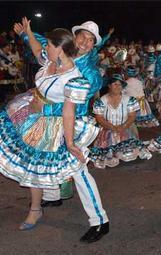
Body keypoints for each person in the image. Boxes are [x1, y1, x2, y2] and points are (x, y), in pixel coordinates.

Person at [1, 18, 108, 243]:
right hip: (44, 119)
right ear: (73, 38)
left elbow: (74, 106)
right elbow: (41, 46)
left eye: (91, 41)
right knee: (40, 160)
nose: (86, 43)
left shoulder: (89, 73)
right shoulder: (57, 55)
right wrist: (26, 33)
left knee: (78, 170)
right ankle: (52, 195)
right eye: (83, 37)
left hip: (71, 122)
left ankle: (100, 221)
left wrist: (44, 104)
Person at [90, 74, 152, 168]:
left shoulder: (129, 99)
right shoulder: (101, 101)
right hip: (107, 128)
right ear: (109, 86)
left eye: (120, 84)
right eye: (115, 84)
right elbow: (99, 118)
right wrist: (112, 127)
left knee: (128, 147)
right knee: (107, 148)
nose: (118, 87)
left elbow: (132, 116)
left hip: (126, 127)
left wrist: (123, 126)